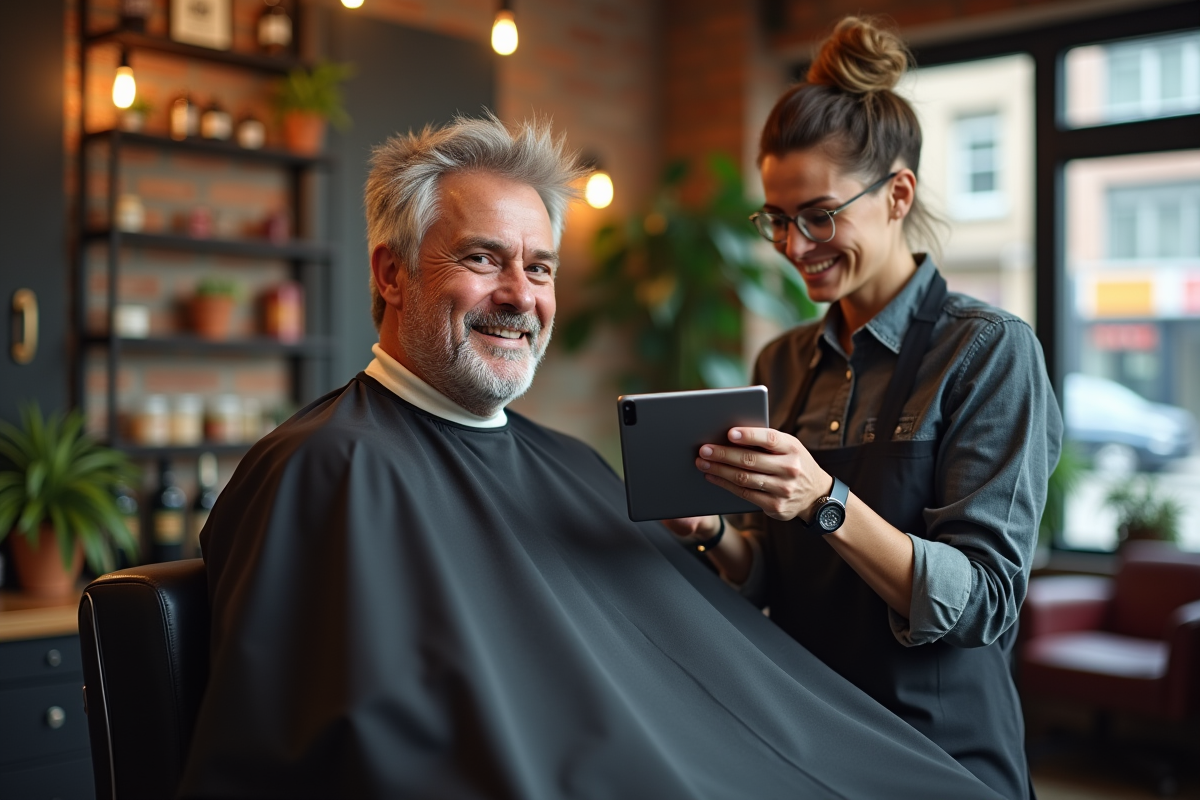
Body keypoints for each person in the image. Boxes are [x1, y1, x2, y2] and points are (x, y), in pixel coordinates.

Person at [178, 114, 1003, 799]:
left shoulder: (570, 463)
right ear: (391, 275)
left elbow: (690, 658)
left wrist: (715, 534)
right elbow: (305, 748)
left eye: (539, 267)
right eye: (480, 258)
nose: (520, 295)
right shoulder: (325, 470)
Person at [664, 17, 1062, 800]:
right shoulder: (780, 363)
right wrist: (711, 530)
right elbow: (767, 577)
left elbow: (984, 599)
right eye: (777, 219)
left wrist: (826, 500)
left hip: (941, 756)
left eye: (818, 215)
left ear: (897, 195)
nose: (794, 244)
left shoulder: (987, 353)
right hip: (807, 734)